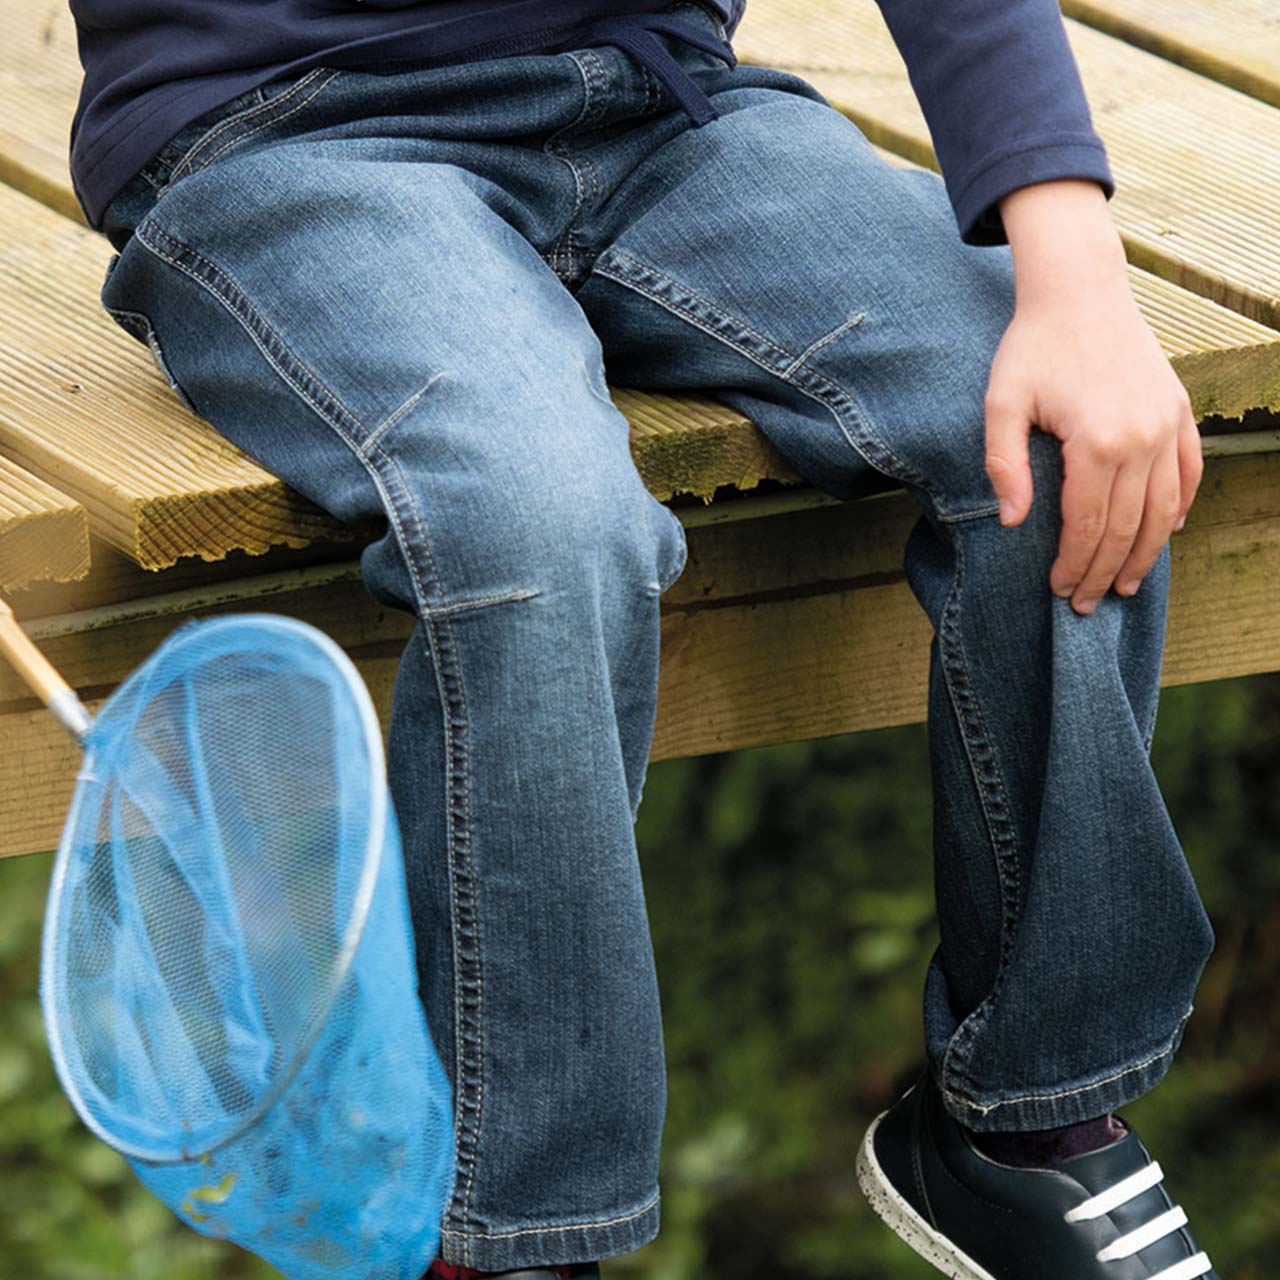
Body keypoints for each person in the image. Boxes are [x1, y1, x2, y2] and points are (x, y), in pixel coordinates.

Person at [73, 0, 1218, 1275]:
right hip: (288, 130)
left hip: (662, 100)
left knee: (1068, 440)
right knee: (535, 524)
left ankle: (1030, 1122)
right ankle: (513, 1232)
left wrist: (1075, 278)